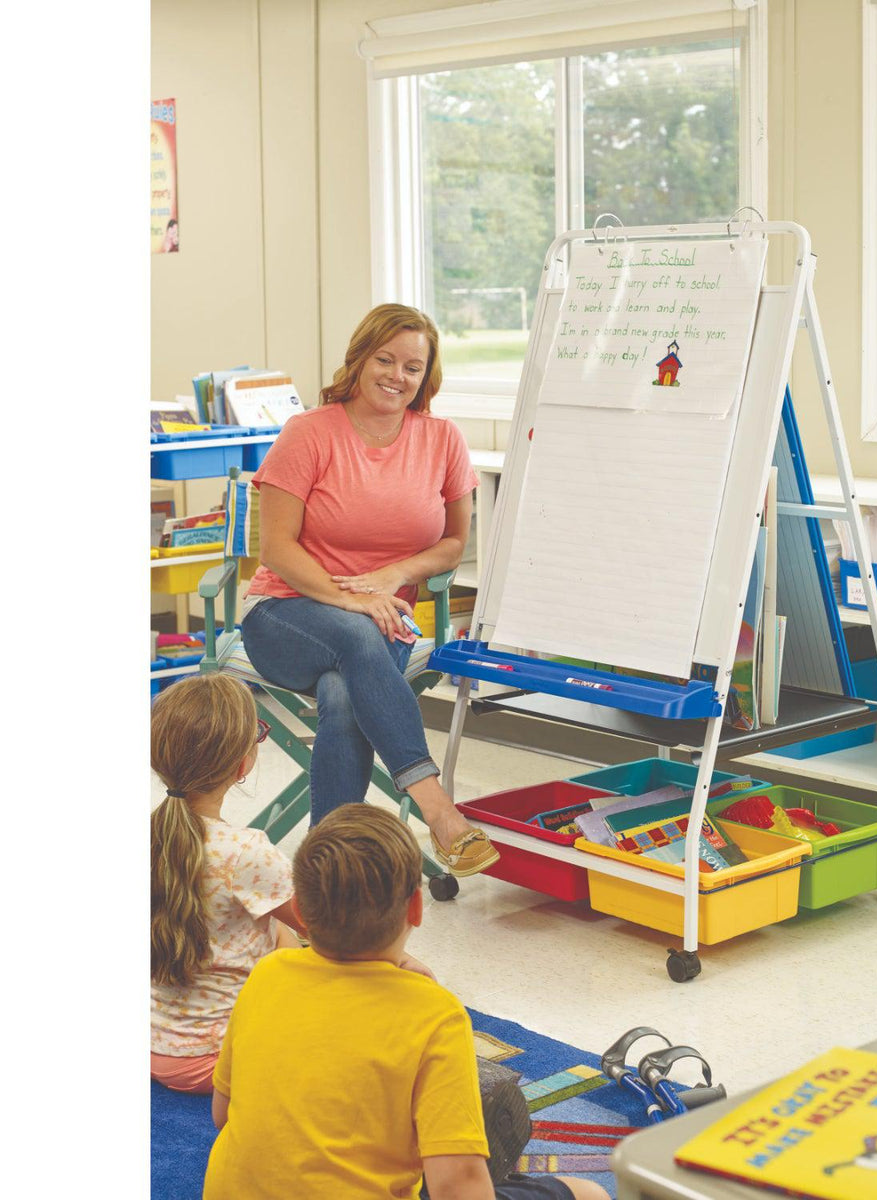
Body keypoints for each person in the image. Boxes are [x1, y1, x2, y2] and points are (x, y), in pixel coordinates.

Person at [203, 806, 606, 1200]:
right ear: (416, 908)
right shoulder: (434, 1014)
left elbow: (223, 1115)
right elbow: (457, 1187)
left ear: (300, 911)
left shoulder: (268, 973)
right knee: (586, 1192)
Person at [239, 302, 498, 877]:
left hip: (385, 622)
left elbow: (455, 541)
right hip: (284, 615)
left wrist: (394, 576)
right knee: (355, 639)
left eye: (413, 366)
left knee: (342, 694)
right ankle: (440, 812)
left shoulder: (442, 439)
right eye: (385, 359)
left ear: (426, 376)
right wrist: (355, 598)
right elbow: (277, 548)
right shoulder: (308, 432)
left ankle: (326, 873)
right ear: (360, 359)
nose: (396, 376)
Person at [150, 674, 306, 1095]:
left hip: (150, 1044)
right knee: (290, 939)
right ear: (241, 766)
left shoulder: (149, 834)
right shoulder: (246, 851)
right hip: (218, 1061)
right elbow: (324, 929)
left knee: (275, 930)